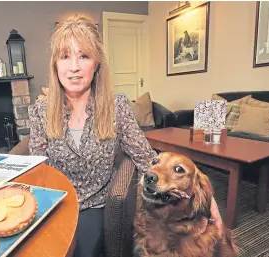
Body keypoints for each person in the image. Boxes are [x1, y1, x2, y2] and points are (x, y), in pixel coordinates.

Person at [28, 14, 223, 257]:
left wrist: (209, 203)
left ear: (97, 62)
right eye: (65, 56)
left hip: (93, 207)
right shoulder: (39, 111)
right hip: (55, 205)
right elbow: (38, 170)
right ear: (55, 64)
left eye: (84, 56)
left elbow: (145, 158)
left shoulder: (116, 106)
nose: (74, 67)